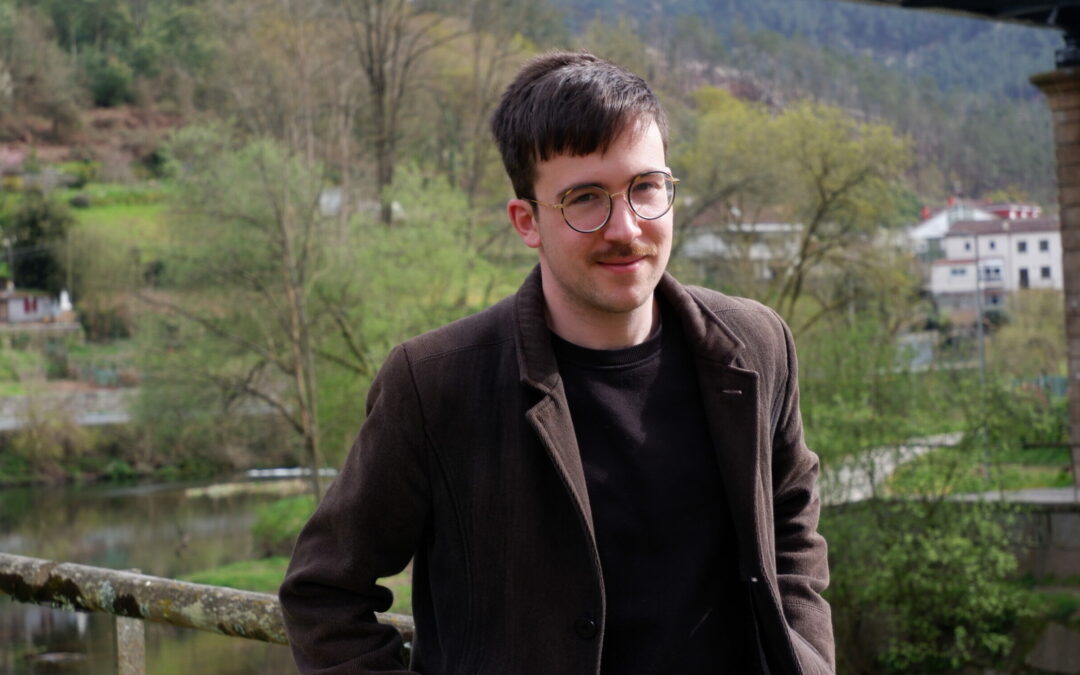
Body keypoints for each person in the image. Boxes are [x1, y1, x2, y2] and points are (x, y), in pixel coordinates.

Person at [279, 50, 834, 675]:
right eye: (585, 198)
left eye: (645, 187)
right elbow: (324, 593)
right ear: (527, 221)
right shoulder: (435, 385)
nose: (625, 228)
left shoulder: (755, 345)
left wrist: (808, 660)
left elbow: (792, 527)